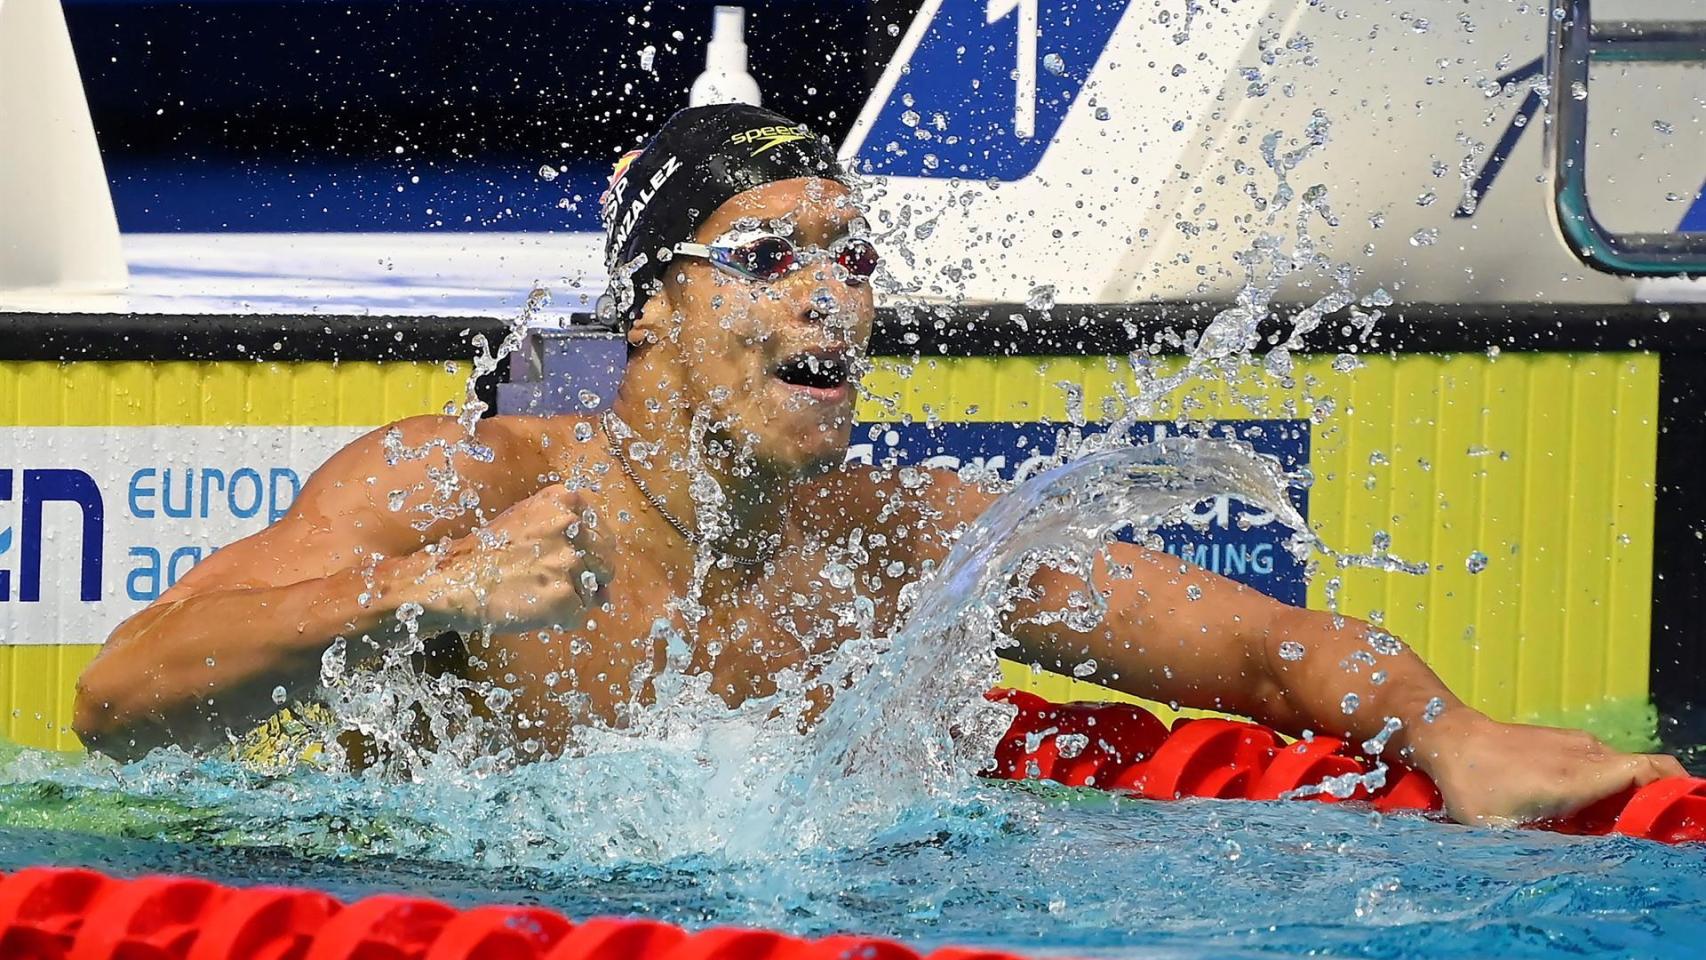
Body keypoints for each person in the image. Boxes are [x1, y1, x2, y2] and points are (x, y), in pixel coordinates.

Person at [73, 104, 1685, 825]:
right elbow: (123, 700)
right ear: (649, 310)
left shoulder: (901, 535)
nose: (828, 293)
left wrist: (1450, 729)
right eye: (767, 256)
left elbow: (1261, 647)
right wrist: (419, 590)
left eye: (850, 259)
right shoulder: (461, 490)